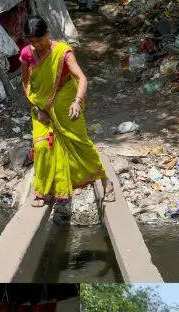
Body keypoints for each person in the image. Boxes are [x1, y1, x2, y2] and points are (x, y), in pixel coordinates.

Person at [19, 15, 114, 208]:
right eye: (32, 42)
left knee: (80, 142)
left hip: (65, 101)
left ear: (47, 34)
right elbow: (26, 81)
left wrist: (77, 102)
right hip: (40, 105)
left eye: (39, 40)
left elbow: (82, 78)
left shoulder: (63, 52)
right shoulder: (27, 54)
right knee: (42, 147)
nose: (36, 45)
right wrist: (37, 108)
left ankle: (105, 182)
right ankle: (44, 191)